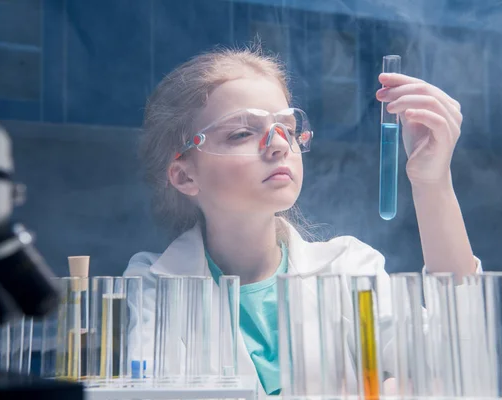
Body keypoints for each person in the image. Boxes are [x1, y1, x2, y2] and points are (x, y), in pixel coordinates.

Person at [124, 44, 481, 397]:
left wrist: (432, 182)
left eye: (288, 128)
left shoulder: (348, 270)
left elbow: (458, 363)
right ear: (185, 176)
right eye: (241, 133)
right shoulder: (154, 290)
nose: (279, 145)